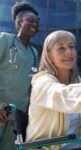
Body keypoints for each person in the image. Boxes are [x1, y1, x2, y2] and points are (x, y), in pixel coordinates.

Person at [0, 2, 39, 150]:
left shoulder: (34, 53)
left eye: (37, 22)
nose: (35, 24)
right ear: (19, 22)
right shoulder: (5, 40)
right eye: (30, 20)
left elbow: (32, 87)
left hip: (17, 119)